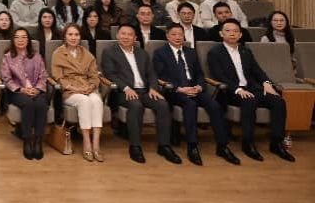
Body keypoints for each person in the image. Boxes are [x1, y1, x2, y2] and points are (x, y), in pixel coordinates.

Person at [207, 19, 294, 162]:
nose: (232, 34)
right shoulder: (215, 53)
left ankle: (276, 143)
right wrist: (237, 89)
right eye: (228, 31)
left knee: (278, 101)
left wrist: (267, 83)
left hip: (252, 88)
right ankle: (248, 144)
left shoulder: (245, 51)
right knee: (250, 100)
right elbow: (219, 76)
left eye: (235, 31)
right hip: (230, 91)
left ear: (240, 35)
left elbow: (258, 71)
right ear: (221, 34)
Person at [152, 24, 240, 166]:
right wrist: (180, 89)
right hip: (176, 91)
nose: (177, 37)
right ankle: (192, 146)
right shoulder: (160, 53)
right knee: (190, 104)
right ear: (167, 36)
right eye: (173, 34)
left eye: (180, 34)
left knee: (215, 106)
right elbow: (160, 76)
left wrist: (199, 86)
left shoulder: (191, 52)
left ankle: (222, 146)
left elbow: (199, 73)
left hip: (195, 88)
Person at [100, 23, 180, 164]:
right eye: (123, 33)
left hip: (145, 91)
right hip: (124, 92)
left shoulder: (142, 53)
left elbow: (151, 74)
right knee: (136, 105)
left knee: (162, 104)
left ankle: (164, 146)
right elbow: (110, 74)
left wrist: (153, 88)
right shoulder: (109, 52)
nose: (126, 37)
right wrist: (126, 88)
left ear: (135, 38)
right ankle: (135, 146)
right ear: (117, 35)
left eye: (129, 34)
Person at [51, 24, 104, 162]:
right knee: (84, 101)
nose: (73, 37)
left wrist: (91, 86)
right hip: (70, 91)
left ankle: (96, 144)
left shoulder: (86, 53)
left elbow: (94, 75)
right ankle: (87, 143)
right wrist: (75, 88)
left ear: (80, 37)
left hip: (87, 87)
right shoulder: (58, 53)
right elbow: (58, 77)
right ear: (65, 36)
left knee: (97, 101)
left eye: (76, 34)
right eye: (70, 34)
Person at [0, 27, 48, 160]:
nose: (20, 40)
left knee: (41, 104)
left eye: (23, 37)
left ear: (28, 40)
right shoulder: (8, 57)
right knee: (29, 103)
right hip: (17, 91)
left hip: (36, 89)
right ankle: (27, 140)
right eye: (17, 37)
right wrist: (22, 89)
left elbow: (43, 76)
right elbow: (7, 79)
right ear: (13, 40)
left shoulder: (36, 56)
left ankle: (38, 140)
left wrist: (37, 89)